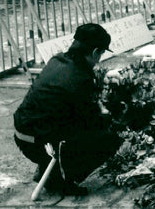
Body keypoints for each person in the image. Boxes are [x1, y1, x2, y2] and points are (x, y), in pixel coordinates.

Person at [13, 24, 122, 196]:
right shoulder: (81, 78)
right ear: (95, 52)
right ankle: (60, 180)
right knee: (110, 137)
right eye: (100, 54)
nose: (100, 59)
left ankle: (49, 168)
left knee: (63, 122)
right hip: (39, 143)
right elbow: (90, 120)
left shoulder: (57, 60)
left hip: (22, 135)